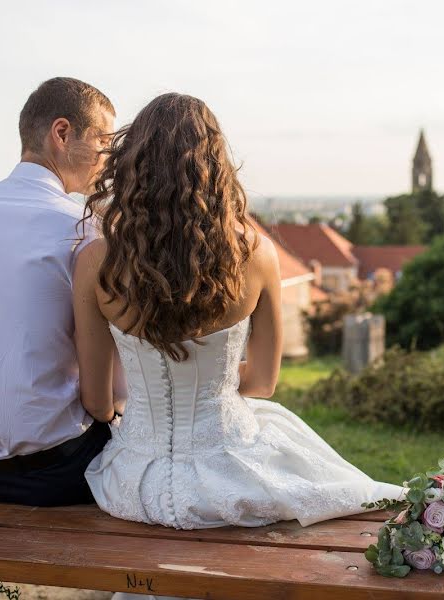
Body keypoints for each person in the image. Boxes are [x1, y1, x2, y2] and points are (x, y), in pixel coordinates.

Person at [77, 93, 405, 538]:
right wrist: (210, 388)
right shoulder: (257, 254)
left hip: (134, 484)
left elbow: (98, 404)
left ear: (133, 164)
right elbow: (263, 384)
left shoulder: (96, 260)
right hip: (228, 476)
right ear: (215, 164)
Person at [0, 77, 123, 506]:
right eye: (103, 142)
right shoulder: (83, 229)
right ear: (62, 133)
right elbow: (105, 387)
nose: (108, 158)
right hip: (64, 470)